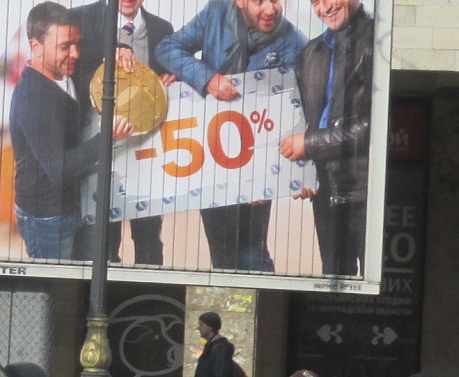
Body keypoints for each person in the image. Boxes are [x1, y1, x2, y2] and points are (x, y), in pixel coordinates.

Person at [157, 0, 307, 272]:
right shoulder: (215, 13)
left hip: (258, 161)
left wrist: (268, 176)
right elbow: (167, 49)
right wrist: (207, 79)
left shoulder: (294, 42)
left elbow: (298, 111)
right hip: (213, 158)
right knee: (222, 254)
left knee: (252, 254)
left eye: (276, 0)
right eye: (259, 1)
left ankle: (264, 296)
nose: (270, 10)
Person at [10, 2, 135, 261]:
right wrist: (108, 137)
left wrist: (120, 48)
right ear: (36, 46)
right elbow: (59, 168)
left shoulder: (61, 69)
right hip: (48, 217)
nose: (76, 54)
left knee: (88, 277)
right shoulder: (34, 99)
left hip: (75, 205)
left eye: (77, 44)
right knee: (57, 284)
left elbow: (93, 51)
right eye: (65, 47)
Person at [72, 0, 176, 265]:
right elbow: (69, 67)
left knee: (149, 239)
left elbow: (169, 81)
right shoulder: (81, 19)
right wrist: (110, 50)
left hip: (147, 153)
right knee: (103, 240)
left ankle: (147, 288)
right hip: (99, 152)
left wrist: (171, 80)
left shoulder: (162, 29)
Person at [279, 0, 374, 277]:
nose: (324, 7)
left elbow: (376, 126)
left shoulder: (377, 43)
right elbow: (302, 118)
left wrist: (309, 144)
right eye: (315, 2)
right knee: (333, 283)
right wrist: (302, 175)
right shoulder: (312, 51)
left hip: (364, 190)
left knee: (378, 283)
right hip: (324, 189)